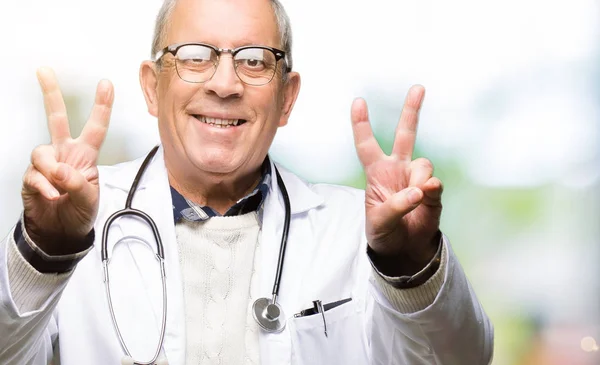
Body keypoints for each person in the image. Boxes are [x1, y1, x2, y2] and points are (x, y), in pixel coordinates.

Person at [0, 0, 494, 364]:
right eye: (195, 56)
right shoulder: (76, 222)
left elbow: (462, 358)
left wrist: (410, 263)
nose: (224, 83)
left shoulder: (355, 231)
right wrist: (46, 248)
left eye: (255, 60)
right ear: (153, 87)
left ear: (287, 97)